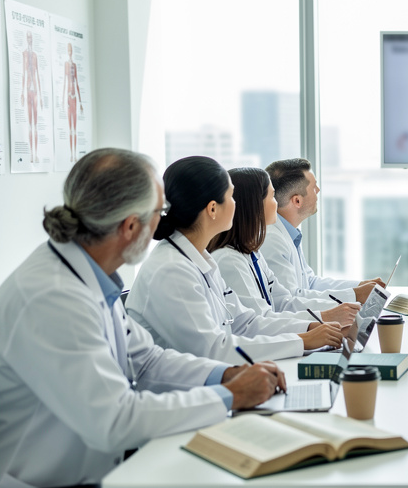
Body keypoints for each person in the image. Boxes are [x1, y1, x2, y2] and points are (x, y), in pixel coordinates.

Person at [0, 148, 284, 488]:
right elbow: (115, 420)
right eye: (159, 212)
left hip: (93, 475)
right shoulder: (52, 298)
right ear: (131, 226)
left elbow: (146, 360)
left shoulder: (87, 275)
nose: (164, 222)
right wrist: (229, 396)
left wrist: (227, 375)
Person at [127, 156, 345, 364]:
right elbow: (213, 349)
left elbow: (245, 323)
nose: (237, 204)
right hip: (187, 385)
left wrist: (309, 330)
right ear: (213, 209)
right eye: (231, 197)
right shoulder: (171, 270)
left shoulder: (201, 259)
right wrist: (302, 340)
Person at [210, 167, 361, 324]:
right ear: (255, 205)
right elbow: (256, 323)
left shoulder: (253, 254)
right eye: (273, 196)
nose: (277, 204)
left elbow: (283, 301)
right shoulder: (231, 259)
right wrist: (322, 320)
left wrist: (339, 310)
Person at [261, 158, 382, 303]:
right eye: (314, 187)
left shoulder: (289, 233)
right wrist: (355, 294)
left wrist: (360, 286)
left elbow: (310, 283)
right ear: (297, 200)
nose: (318, 190)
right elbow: (290, 300)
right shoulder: (272, 240)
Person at [21, 30, 44, 164]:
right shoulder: (24, 54)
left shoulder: (35, 56)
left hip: (35, 91)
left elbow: (38, 74)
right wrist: (22, 92)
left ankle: (36, 154)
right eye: (28, 37)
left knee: (35, 124)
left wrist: (40, 95)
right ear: (26, 38)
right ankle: (31, 154)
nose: (30, 39)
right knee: (30, 124)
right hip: (28, 90)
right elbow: (23, 73)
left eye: (31, 37)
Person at [62, 42, 84, 163]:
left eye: (71, 50)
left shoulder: (74, 65)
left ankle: (75, 154)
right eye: (68, 50)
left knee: (74, 129)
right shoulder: (66, 64)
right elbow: (65, 82)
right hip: (69, 98)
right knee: (70, 129)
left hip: (74, 97)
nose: (70, 52)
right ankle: (71, 154)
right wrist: (63, 100)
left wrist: (80, 102)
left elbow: (77, 83)